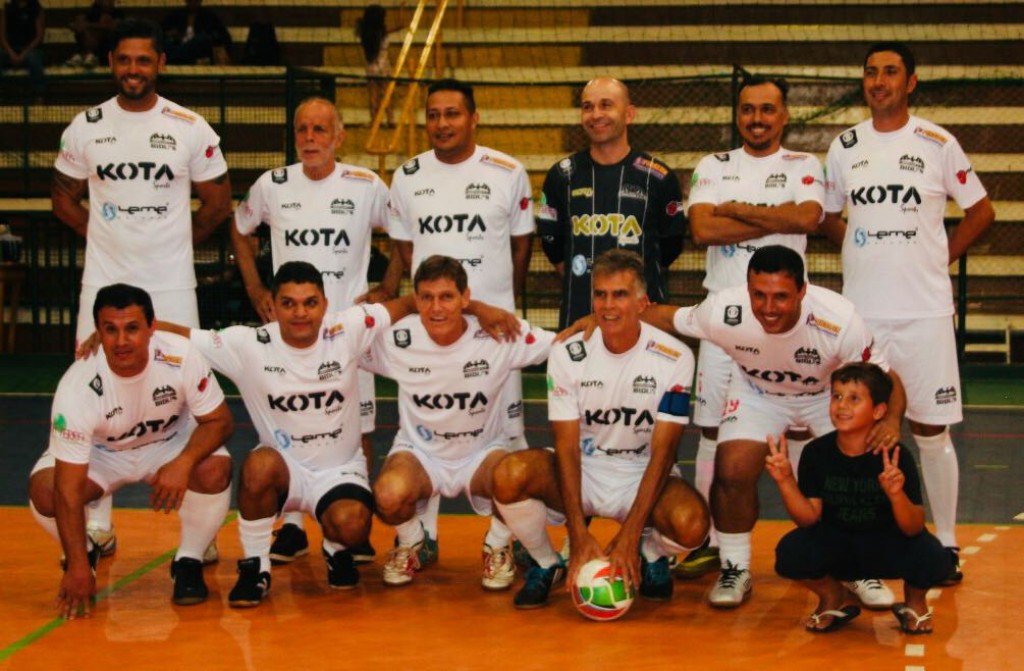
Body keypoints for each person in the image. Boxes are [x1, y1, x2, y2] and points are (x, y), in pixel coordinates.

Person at [158, 261, 516, 607]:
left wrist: (479, 308)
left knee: (353, 525)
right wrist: (123, 331)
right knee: (258, 464)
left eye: (310, 303)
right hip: (285, 468)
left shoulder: (350, 328)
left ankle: (336, 550)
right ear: (273, 305)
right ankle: (255, 567)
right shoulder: (246, 343)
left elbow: (415, 301)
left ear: (325, 305)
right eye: (289, 304)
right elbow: (182, 335)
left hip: (339, 472)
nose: (300, 313)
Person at [631, 245, 906, 609]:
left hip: (824, 397)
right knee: (731, 468)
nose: (768, 308)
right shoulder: (724, 312)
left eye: (780, 297)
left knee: (858, 466)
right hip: (758, 395)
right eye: (758, 295)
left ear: (802, 291)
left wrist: (890, 420)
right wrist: (598, 318)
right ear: (747, 289)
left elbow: (887, 379)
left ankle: (857, 568)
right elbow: (663, 317)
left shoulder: (839, 319)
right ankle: (735, 568)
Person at [51, 17, 232, 561]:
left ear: (161, 64)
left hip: (172, 284)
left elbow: (218, 202)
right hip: (102, 283)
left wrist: (174, 239)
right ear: (112, 63)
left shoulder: (189, 126)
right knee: (95, 388)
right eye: (124, 60)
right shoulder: (84, 126)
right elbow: (63, 197)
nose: (134, 69)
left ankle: (200, 533)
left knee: (187, 395)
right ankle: (99, 525)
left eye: (143, 60)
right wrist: (106, 235)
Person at [822, 42, 996, 585]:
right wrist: (861, 249)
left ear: (911, 82)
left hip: (923, 310)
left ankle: (945, 541)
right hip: (865, 311)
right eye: (871, 72)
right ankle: (861, 540)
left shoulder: (938, 141)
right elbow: (828, 215)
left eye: (890, 72)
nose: (879, 81)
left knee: (930, 426)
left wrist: (938, 258)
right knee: (856, 428)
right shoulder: (844, 145)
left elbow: (982, 211)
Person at [231, 96, 398, 566]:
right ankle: (292, 526)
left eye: (320, 130)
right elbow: (239, 229)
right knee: (286, 424)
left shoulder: (366, 185)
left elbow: (402, 232)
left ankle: (355, 520)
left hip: (347, 334)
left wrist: (388, 286)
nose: (309, 139)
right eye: (302, 129)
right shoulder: (273, 184)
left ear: (339, 137)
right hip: (290, 333)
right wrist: (255, 286)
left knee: (358, 427)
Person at [493, 249, 710, 609]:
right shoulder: (568, 353)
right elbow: (565, 446)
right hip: (587, 469)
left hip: (641, 470)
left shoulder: (675, 358)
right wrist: (577, 534)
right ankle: (547, 563)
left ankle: (651, 553)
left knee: (693, 524)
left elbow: (664, 452)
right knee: (508, 474)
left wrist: (630, 536)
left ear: (643, 303)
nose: (608, 306)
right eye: (600, 294)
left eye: (620, 295)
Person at [676, 75, 824, 583]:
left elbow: (807, 219)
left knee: (802, 428)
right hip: (724, 316)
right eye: (747, 110)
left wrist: (735, 209)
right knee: (713, 430)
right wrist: (773, 220)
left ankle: (817, 535)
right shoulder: (713, 165)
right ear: (737, 115)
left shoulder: (804, 165)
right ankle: (715, 545)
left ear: (784, 116)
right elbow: (702, 229)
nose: (756, 119)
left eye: (767, 109)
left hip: (786, 319)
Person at [386, 78, 534, 557]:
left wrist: (498, 304)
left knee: (508, 439)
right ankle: (420, 538)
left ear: (473, 118)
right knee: (427, 431)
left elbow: (521, 245)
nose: (442, 123)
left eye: (452, 114)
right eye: (433, 114)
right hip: (431, 327)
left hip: (494, 332)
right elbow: (405, 248)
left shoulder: (507, 171)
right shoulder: (407, 175)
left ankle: (502, 542)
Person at [28, 284, 234, 619]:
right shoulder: (77, 386)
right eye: (110, 330)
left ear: (153, 327)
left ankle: (190, 560)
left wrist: (183, 462)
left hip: (169, 445)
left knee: (213, 469)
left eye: (132, 328)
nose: (121, 341)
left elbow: (221, 422)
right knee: (46, 491)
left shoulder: (180, 355)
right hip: (103, 455)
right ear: (99, 331)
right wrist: (77, 567)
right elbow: (67, 491)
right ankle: (87, 550)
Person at [361, 255, 555, 590]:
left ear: (466, 298)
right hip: (420, 454)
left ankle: (496, 546)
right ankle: (411, 541)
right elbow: (336, 339)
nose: (436, 308)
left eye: (447, 297)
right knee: (387, 495)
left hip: (481, 454)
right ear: (415, 299)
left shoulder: (498, 333)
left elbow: (562, 346)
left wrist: (598, 326)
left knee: (515, 478)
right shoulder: (396, 339)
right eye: (426, 297)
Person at [769, 362, 952, 634]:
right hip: (837, 543)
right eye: (837, 396)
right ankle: (833, 596)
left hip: (887, 544)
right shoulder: (816, 453)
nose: (842, 406)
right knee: (791, 552)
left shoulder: (895, 455)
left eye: (854, 399)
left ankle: (914, 603)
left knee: (935, 557)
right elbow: (808, 519)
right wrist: (785, 481)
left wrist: (896, 495)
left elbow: (913, 526)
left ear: (879, 410)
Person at [536, 76, 686, 330]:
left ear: (629, 114)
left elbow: (671, 244)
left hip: (644, 317)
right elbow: (553, 246)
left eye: (606, 105)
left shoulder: (657, 176)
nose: (595, 114)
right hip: (579, 314)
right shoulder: (562, 176)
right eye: (587, 107)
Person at [355, 4, 395, 126]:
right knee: (386, 94)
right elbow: (388, 31)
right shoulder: (382, 33)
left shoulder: (365, 33)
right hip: (383, 66)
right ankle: (390, 119)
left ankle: (374, 120)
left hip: (371, 67)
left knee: (373, 94)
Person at [161, 0, 232, 65]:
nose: (193, 2)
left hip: (198, 51)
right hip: (179, 46)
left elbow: (225, 37)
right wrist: (172, 34)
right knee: (166, 44)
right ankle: (183, 59)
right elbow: (161, 32)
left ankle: (178, 59)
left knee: (203, 39)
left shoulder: (209, 16)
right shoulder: (176, 15)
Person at [0, 0, 45, 99]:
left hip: (32, 50)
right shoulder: (7, 9)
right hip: (11, 50)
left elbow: (39, 37)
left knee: (34, 60)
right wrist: (11, 53)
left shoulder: (36, 8)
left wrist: (24, 53)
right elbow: (2, 36)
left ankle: (39, 97)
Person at [66, 0, 124, 68]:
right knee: (87, 32)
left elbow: (111, 26)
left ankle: (87, 55)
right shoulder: (91, 13)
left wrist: (91, 26)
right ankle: (87, 55)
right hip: (91, 44)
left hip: (107, 48)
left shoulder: (117, 13)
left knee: (94, 32)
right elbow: (78, 26)